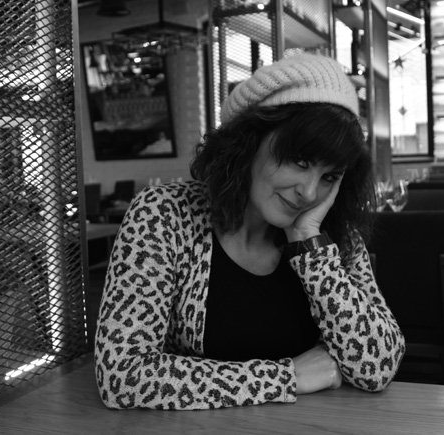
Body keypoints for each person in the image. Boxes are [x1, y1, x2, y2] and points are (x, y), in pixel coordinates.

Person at [95, 52, 405, 410]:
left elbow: (377, 367)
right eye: (299, 161)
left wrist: (309, 244)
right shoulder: (165, 215)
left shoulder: (333, 235)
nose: (309, 192)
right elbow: (122, 374)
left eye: (329, 176)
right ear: (249, 143)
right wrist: (287, 377)